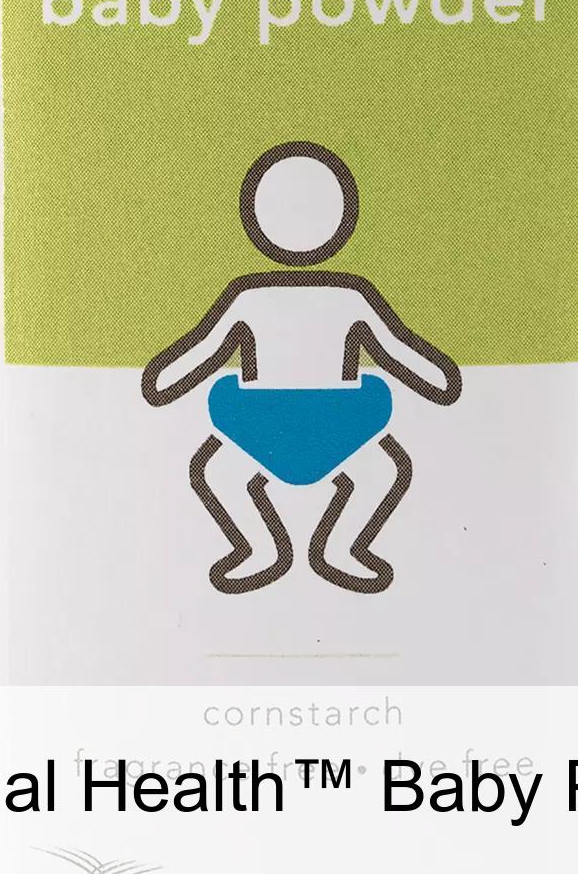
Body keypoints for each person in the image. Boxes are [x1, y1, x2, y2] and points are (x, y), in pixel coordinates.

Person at [141, 142, 462, 594]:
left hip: (269, 427)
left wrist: (163, 380)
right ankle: (339, 547)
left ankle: (262, 548)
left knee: (217, 469)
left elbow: (199, 355)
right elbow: (401, 354)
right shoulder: (349, 296)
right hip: (331, 426)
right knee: (385, 467)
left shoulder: (250, 297)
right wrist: (439, 379)